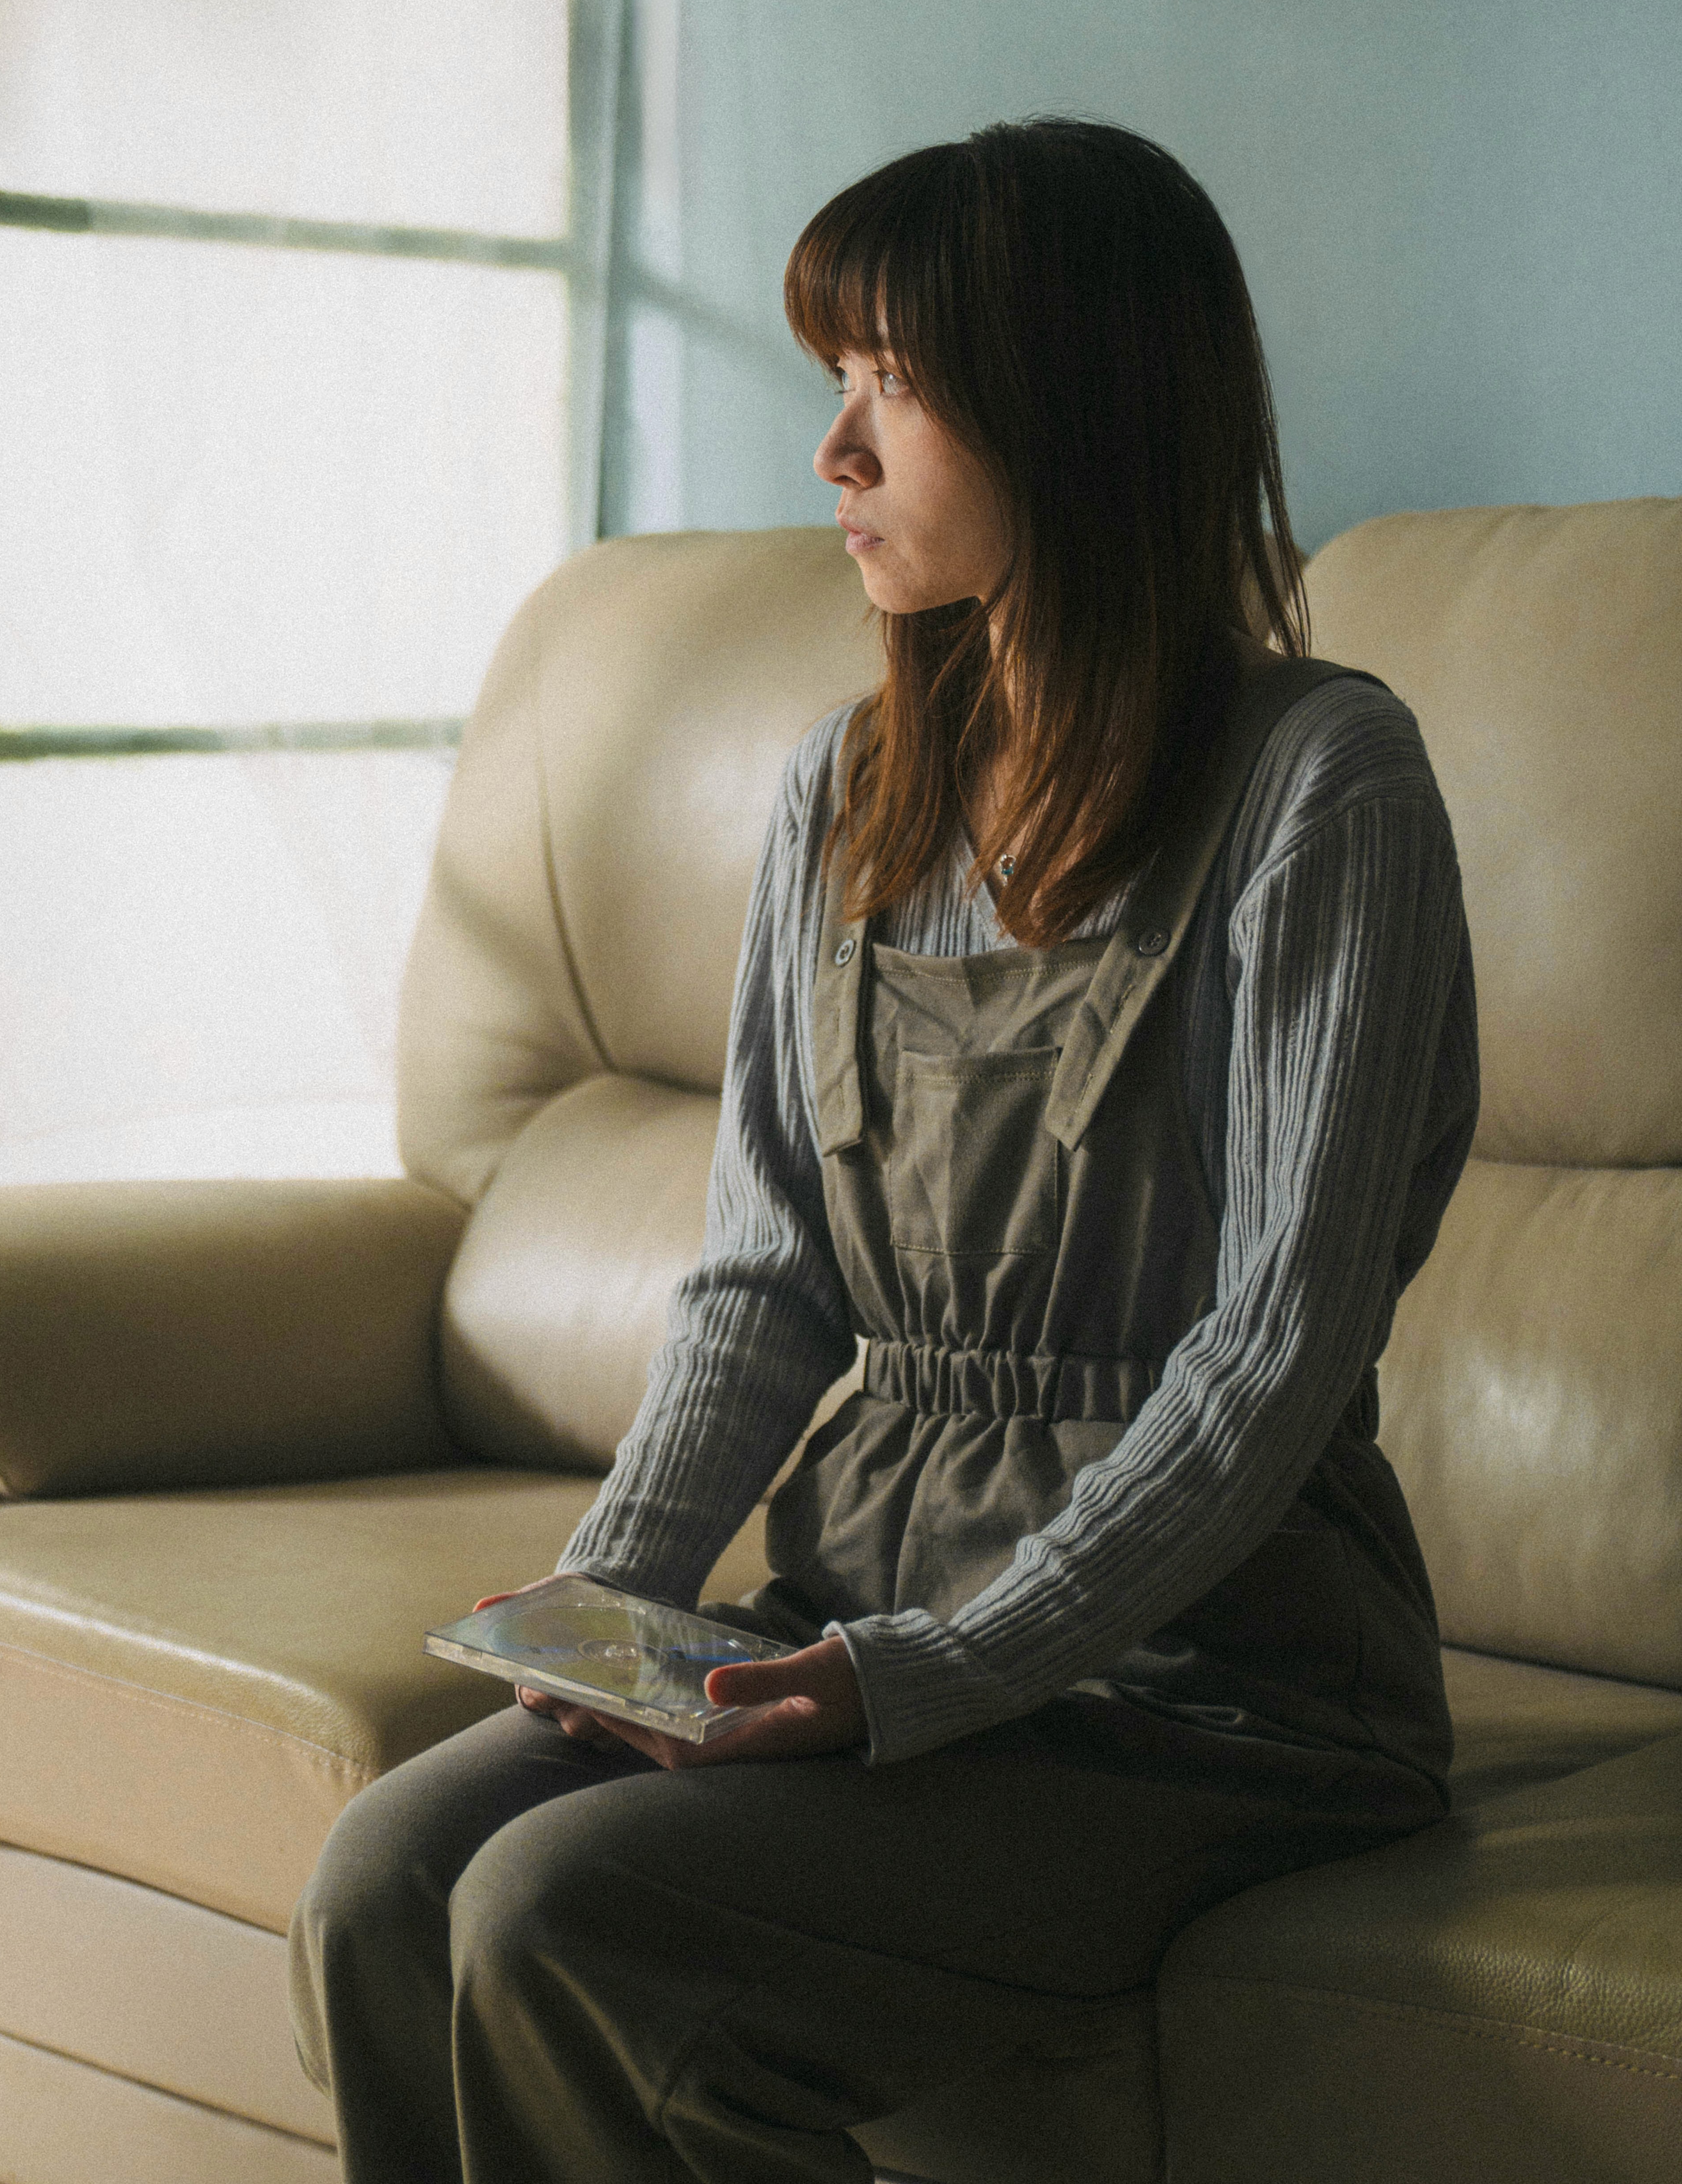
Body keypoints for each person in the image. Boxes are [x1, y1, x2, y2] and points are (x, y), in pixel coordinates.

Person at [292, 119, 1479, 2184]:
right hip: (855, 1611)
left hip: (1209, 1694)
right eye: (834, 380)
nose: (832, 451)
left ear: (1077, 410)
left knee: (563, 1917)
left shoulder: (1322, 787)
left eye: (895, 388)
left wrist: (927, 1675)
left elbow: (1270, 1363)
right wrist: (609, 1600)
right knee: (386, 1876)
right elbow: (766, 1278)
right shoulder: (848, 784)